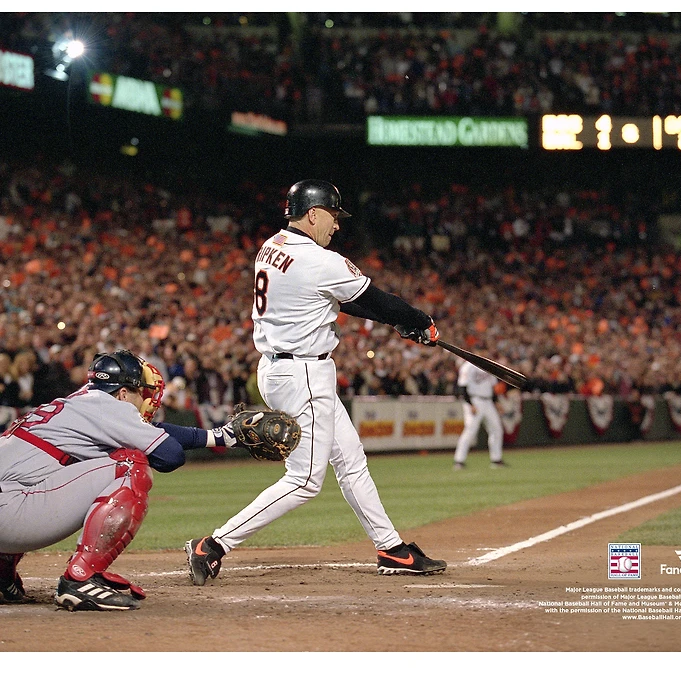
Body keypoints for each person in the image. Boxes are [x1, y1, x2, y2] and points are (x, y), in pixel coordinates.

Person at [186, 179, 447, 583]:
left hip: (283, 367)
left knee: (351, 459)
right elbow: (375, 299)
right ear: (312, 214)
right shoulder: (320, 259)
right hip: (303, 371)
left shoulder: (272, 245)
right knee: (305, 480)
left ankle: (391, 548)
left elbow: (341, 299)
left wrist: (397, 323)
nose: (337, 225)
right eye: (332, 216)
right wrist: (418, 322)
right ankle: (214, 544)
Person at [0, 349, 240, 610]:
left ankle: (2, 573)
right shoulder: (108, 405)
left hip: (8, 506)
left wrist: (219, 437)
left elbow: (153, 432)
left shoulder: (77, 404)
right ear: (123, 392)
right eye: (140, 392)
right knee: (130, 465)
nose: (145, 401)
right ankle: (81, 578)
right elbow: (169, 456)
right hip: (9, 514)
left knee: (36, 476)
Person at [452, 358, 507, 470]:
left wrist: (496, 402)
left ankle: (496, 459)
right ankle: (459, 460)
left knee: (496, 429)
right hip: (474, 400)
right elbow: (462, 387)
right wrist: (470, 404)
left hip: (488, 401)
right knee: (470, 430)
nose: (483, 354)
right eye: (480, 351)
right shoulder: (468, 366)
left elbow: (492, 387)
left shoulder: (488, 365)